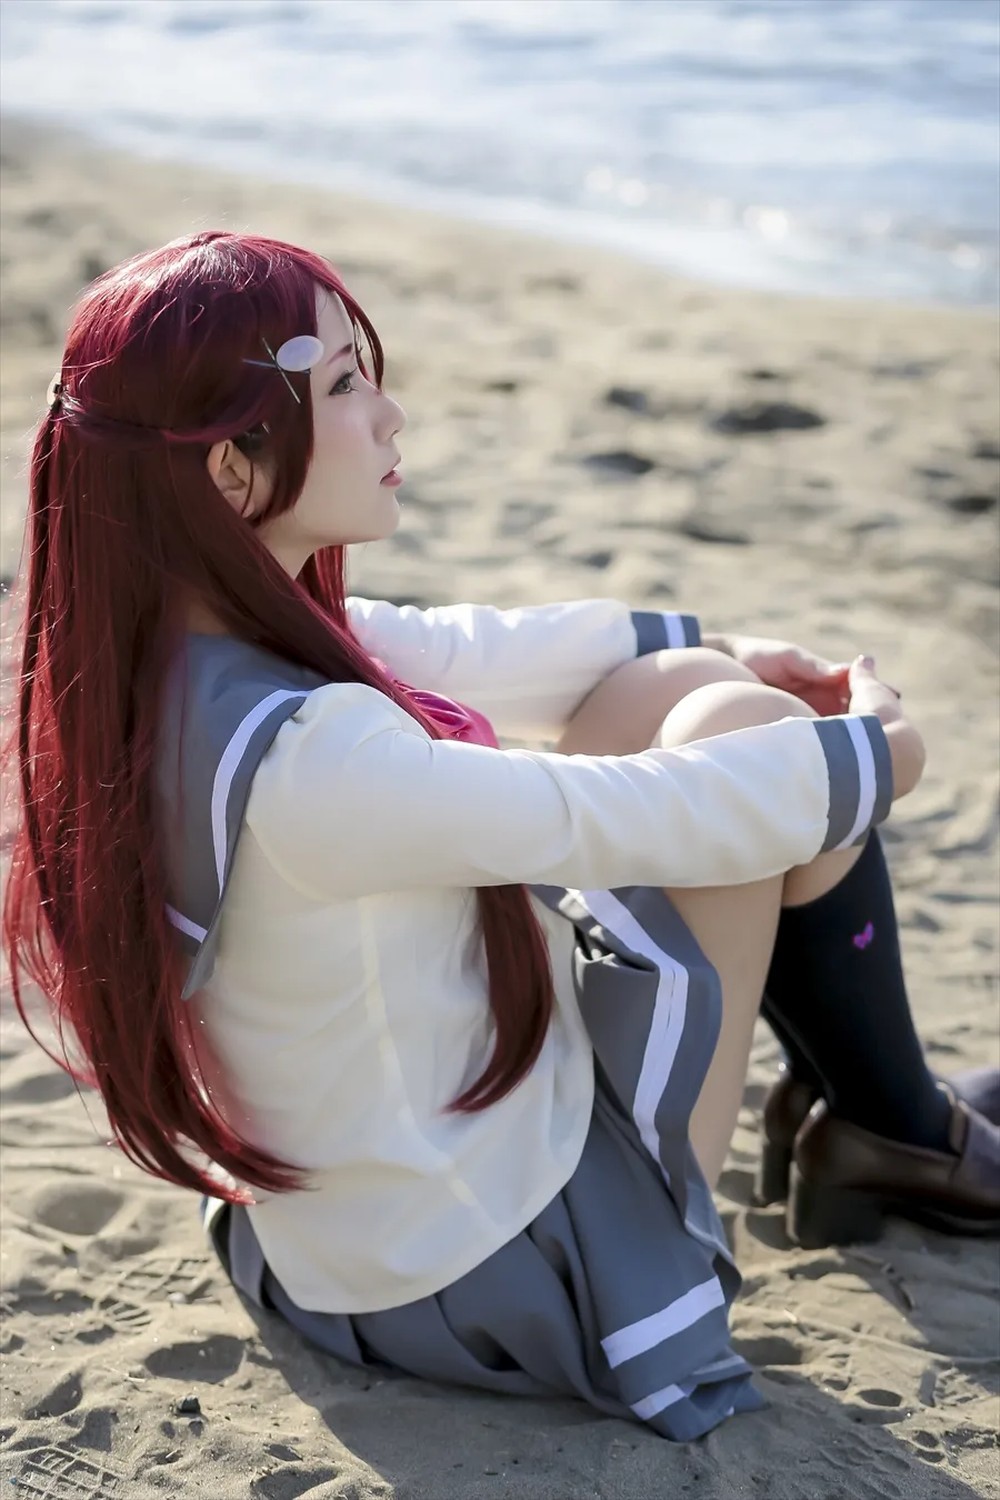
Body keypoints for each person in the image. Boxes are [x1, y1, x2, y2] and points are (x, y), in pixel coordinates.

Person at [3, 231, 997, 1445]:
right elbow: (626, 815)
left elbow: (480, 649)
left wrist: (726, 647)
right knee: (746, 744)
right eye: (345, 386)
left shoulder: (166, 647)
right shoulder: (315, 757)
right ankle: (896, 1126)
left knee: (683, 688)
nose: (391, 414)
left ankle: (887, 1119)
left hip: (348, 1231)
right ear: (229, 469)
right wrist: (883, 752)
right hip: (481, 1274)